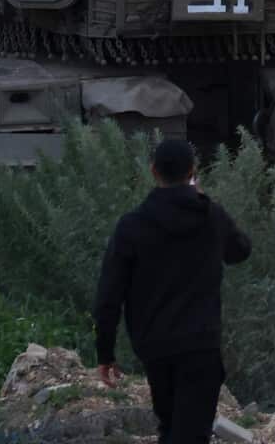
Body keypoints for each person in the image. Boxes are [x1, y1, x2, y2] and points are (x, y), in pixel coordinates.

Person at [93, 138, 252, 444]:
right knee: (192, 433)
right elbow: (240, 251)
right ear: (193, 171)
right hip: (200, 343)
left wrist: (105, 351)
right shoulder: (210, 216)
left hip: (155, 345)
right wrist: (206, 201)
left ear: (153, 171)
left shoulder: (132, 226)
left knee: (170, 427)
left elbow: (109, 294)